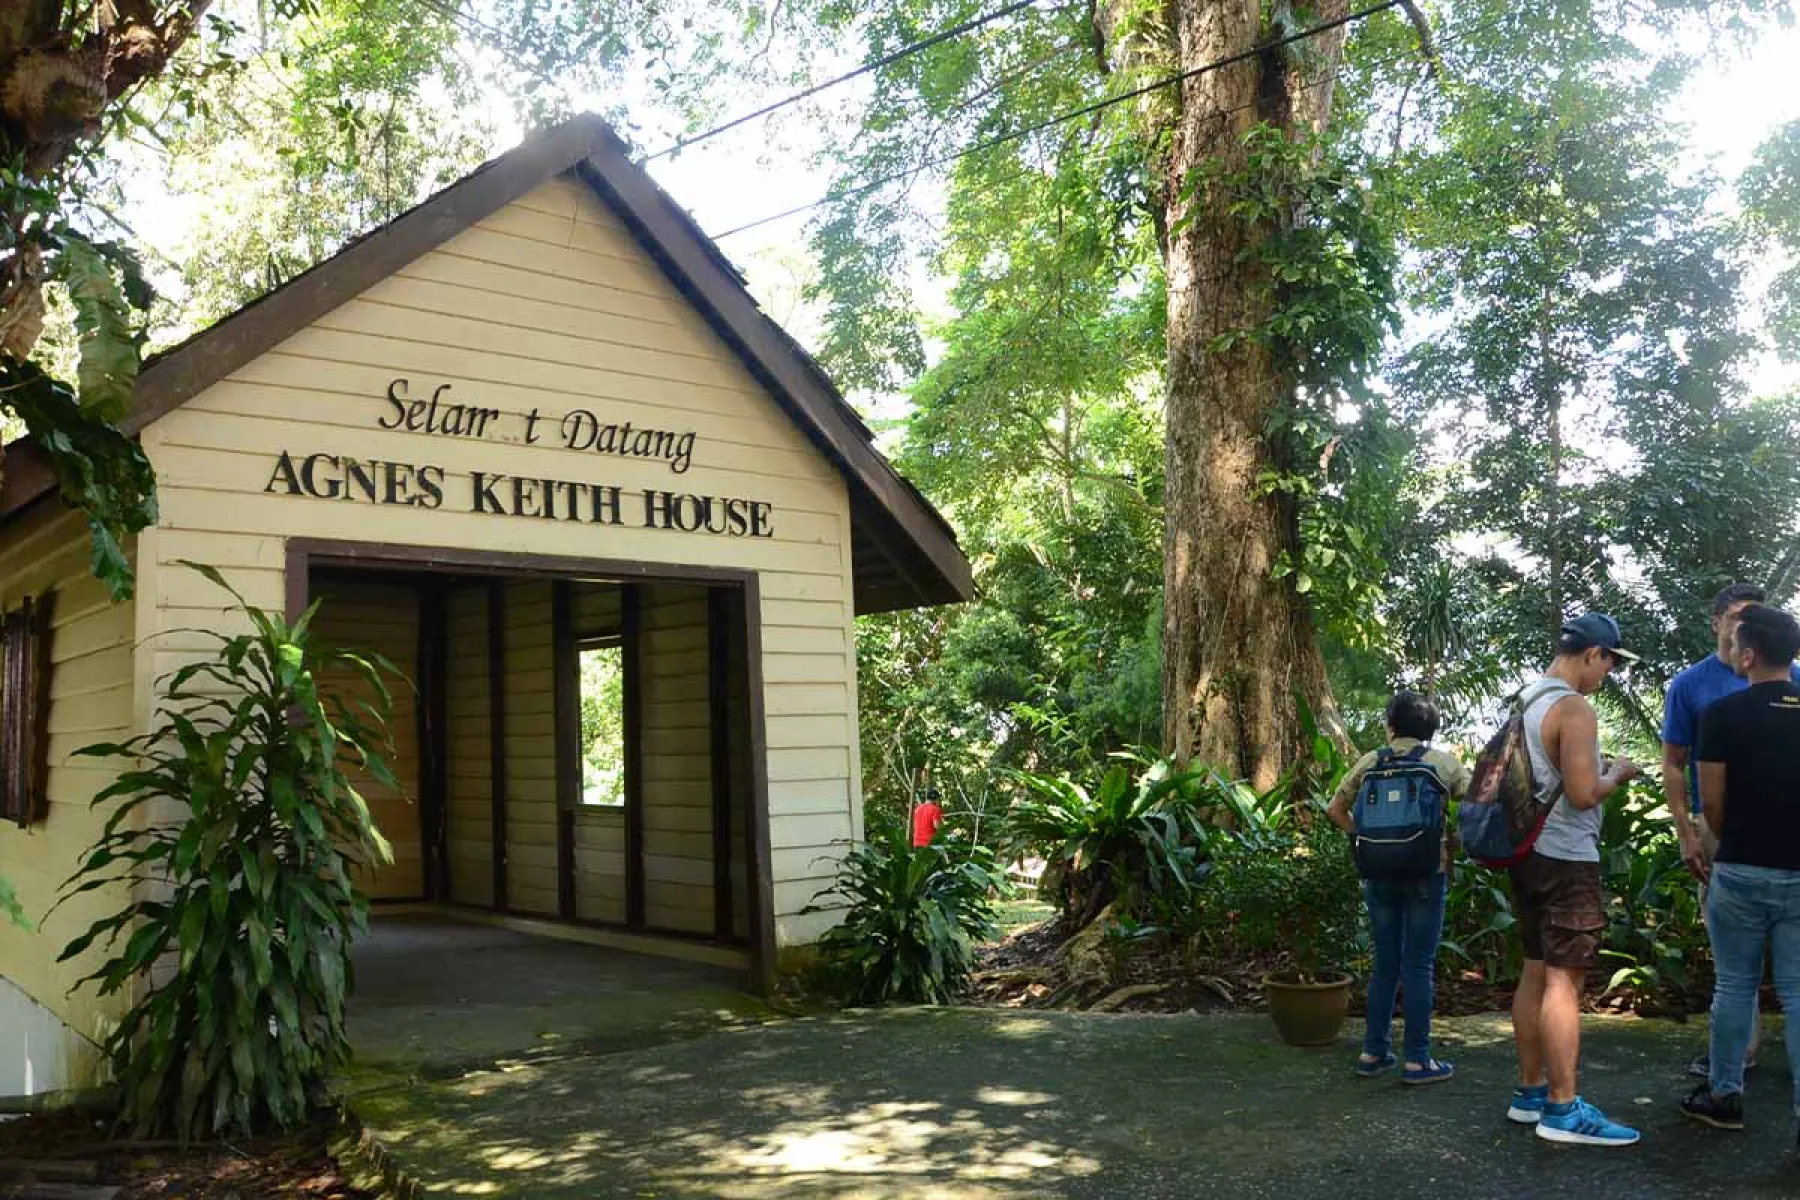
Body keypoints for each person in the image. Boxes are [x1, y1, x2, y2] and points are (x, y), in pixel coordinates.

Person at [1504, 613, 1644, 1147]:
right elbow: (1585, 794)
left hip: (1526, 854)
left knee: (1535, 968)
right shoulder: (1573, 707)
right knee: (1565, 979)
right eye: (1608, 663)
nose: (1606, 675)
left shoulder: (1524, 699)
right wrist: (1618, 774)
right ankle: (1563, 1111)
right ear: (1593, 654)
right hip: (1565, 858)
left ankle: (1531, 1093)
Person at [1661, 582, 1800, 1078]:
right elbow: (1674, 763)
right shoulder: (1691, 685)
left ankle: (1724, 1090)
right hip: (1718, 829)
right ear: (1718, 622)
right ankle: (1740, 1055)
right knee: (1737, 966)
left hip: (1757, 832)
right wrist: (1687, 830)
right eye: (1739, 617)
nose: (1745, 629)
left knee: (1754, 975)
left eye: (1755, 619)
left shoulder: (1793, 679)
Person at [1327, 691, 1469, 1084]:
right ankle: (1417, 1060)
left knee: (1385, 962)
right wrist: (1452, 840)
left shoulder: (1369, 762)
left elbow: (1334, 809)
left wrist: (1369, 839)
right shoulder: (1442, 763)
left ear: (1391, 725)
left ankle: (1373, 1052)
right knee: (1419, 965)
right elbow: (1477, 801)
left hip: (1379, 875)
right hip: (1427, 872)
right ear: (1430, 729)